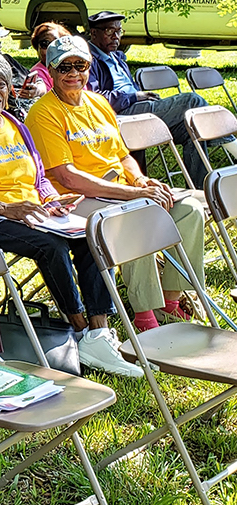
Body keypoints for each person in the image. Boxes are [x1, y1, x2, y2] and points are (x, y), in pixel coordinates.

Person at [0, 50, 139, 377]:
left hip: (35, 211)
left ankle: (99, 332)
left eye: (1, 85)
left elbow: (40, 176)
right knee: (51, 247)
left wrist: (53, 199)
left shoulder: (16, 125)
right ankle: (79, 327)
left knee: (90, 237)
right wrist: (6, 208)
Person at [28, 35, 207, 335]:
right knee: (137, 213)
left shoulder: (98, 103)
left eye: (80, 65)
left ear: (89, 67)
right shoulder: (43, 112)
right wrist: (135, 192)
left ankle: (170, 301)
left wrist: (140, 179)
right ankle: (144, 312)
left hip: (120, 189)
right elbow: (67, 176)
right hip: (75, 199)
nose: (73, 73)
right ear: (52, 70)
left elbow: (122, 155)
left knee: (188, 209)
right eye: (64, 67)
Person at [86, 10, 234, 188]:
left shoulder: (117, 57)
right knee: (191, 100)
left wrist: (141, 98)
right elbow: (95, 99)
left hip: (139, 110)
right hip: (120, 116)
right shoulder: (89, 61)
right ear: (94, 33)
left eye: (120, 31)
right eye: (110, 31)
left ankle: (203, 191)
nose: (116, 36)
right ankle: (230, 143)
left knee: (191, 130)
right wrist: (135, 96)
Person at [28, 21, 73, 91]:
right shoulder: (38, 73)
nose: (51, 49)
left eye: (56, 44)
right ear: (37, 47)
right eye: (45, 44)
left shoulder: (74, 68)